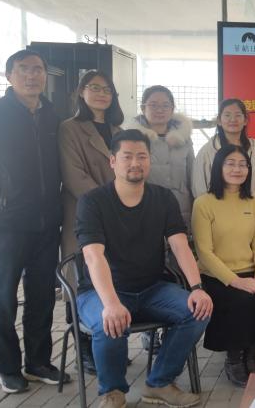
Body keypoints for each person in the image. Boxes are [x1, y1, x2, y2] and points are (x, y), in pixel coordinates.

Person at [74, 129, 212, 408]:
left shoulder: (162, 198)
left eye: (142, 156)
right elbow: (93, 256)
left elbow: (179, 245)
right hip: (102, 292)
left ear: (149, 160)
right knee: (108, 321)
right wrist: (111, 303)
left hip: (151, 288)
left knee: (197, 310)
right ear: (113, 161)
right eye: (127, 157)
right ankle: (113, 392)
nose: (135, 163)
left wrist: (197, 288)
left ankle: (159, 383)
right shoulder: (93, 201)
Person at [0, 49, 68, 393]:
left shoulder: (54, 117)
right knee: (3, 300)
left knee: (42, 297)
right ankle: (7, 368)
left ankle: (38, 362)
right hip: (5, 225)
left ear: (45, 76)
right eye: (23, 69)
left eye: (37, 69)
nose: (31, 76)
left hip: (46, 224)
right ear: (9, 76)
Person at [192, 144, 255, 387]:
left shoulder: (254, 202)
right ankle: (234, 359)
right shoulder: (203, 203)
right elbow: (204, 252)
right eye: (230, 163)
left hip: (250, 272)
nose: (237, 169)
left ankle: (251, 355)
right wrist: (236, 281)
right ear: (218, 167)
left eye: (243, 165)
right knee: (240, 301)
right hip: (217, 276)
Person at [59, 70, 124, 373]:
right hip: (84, 214)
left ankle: (109, 342)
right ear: (81, 93)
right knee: (81, 278)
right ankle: (83, 348)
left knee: (111, 279)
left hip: (118, 216)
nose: (101, 94)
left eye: (106, 89)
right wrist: (109, 205)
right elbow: (74, 176)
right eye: (94, 88)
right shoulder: (70, 129)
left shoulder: (118, 130)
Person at [125, 85, 195, 225]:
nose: (159, 110)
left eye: (165, 105)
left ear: (172, 109)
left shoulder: (184, 138)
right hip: (144, 208)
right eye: (153, 105)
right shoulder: (132, 138)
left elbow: (192, 174)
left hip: (180, 207)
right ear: (143, 108)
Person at [193, 98, 255, 197]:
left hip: (248, 203)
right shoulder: (207, 151)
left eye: (238, 115)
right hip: (214, 204)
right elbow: (199, 186)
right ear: (219, 120)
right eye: (227, 115)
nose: (233, 119)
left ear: (245, 120)